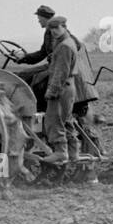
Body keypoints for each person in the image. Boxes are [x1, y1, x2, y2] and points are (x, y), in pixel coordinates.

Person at [41, 16, 79, 162]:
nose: (54, 32)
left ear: (64, 26)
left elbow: (61, 72)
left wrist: (52, 91)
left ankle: (60, 151)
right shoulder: (68, 42)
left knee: (53, 119)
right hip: (69, 86)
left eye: (57, 28)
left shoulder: (64, 46)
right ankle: (73, 152)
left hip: (61, 87)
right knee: (67, 119)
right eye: (51, 29)